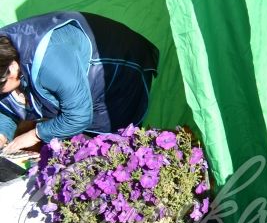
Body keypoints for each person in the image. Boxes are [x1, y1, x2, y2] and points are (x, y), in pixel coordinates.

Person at [0, 11, 159, 152]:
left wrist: (36, 134)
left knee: (110, 148)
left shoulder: (51, 62)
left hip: (122, 68)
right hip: (67, 69)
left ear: (13, 67)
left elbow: (78, 117)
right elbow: (7, 106)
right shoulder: (4, 52)